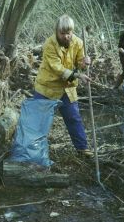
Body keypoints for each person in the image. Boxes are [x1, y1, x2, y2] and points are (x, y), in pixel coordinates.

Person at [9, 14, 92, 169]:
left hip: (67, 89)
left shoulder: (78, 42)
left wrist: (84, 62)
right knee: (37, 123)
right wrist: (78, 75)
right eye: (63, 33)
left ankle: (82, 149)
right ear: (57, 31)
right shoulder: (49, 44)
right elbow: (57, 67)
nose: (66, 37)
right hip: (46, 88)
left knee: (74, 119)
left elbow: (79, 63)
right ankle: (30, 155)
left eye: (69, 33)